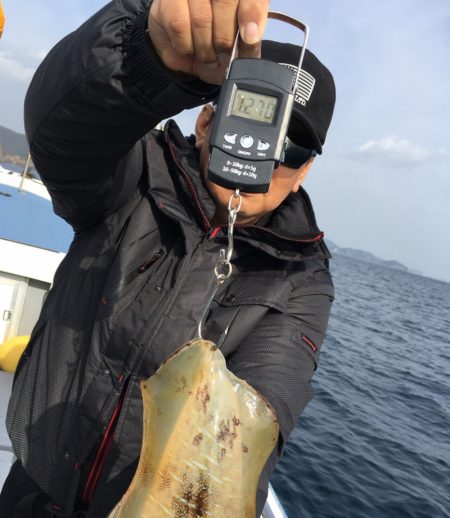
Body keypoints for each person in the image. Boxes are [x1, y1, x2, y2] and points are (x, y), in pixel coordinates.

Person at [0, 0, 336, 516]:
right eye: (252, 117)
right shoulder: (134, 170)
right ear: (207, 121)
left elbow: (267, 404)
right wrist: (141, 57)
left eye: (292, 147)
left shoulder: (301, 278)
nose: (266, 151)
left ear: (306, 170)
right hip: (33, 486)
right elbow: (61, 137)